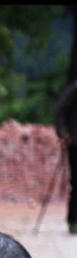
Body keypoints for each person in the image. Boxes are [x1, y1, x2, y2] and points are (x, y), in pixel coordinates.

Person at [54, 79, 77, 234]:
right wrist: (63, 132)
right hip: (76, 143)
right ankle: (74, 220)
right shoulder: (75, 89)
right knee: (76, 182)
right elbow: (60, 110)